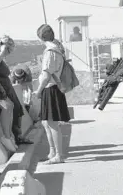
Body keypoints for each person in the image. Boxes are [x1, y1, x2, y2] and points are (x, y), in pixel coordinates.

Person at [33, 24, 71, 164]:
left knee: (52, 124)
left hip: (50, 89)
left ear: (40, 38)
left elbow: (46, 74)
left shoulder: (50, 52)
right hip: (54, 88)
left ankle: (58, 155)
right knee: (46, 122)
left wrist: (38, 91)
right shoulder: (58, 48)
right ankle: (52, 152)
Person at [0, 49, 34, 145]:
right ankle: (13, 137)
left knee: (18, 110)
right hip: (4, 89)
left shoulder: (27, 74)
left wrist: (29, 98)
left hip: (8, 88)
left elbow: (29, 87)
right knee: (12, 111)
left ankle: (18, 136)